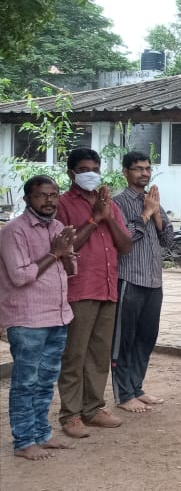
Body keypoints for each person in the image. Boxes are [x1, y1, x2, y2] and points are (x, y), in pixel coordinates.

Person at [56, 147, 131, 438]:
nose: (91, 174)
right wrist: (93, 219)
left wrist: (107, 216)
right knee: (75, 353)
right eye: (84, 170)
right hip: (79, 288)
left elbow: (125, 245)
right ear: (71, 172)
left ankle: (93, 408)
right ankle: (70, 414)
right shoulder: (63, 204)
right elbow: (66, 247)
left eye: (95, 169)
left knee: (100, 353)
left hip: (107, 286)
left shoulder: (108, 204)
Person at [1, 176, 77, 460]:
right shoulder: (14, 231)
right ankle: (23, 441)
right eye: (42, 195)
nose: (49, 201)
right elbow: (20, 276)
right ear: (27, 199)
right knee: (26, 382)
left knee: (46, 380)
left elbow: (70, 269)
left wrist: (66, 255)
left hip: (57, 316)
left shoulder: (58, 227)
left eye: (53, 195)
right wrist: (55, 253)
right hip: (28, 319)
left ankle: (42, 434)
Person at [111, 152, 174, 413]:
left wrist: (156, 213)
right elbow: (124, 239)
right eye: (138, 169)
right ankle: (123, 394)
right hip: (129, 279)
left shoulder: (153, 200)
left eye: (147, 168)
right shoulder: (117, 203)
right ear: (125, 172)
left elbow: (168, 241)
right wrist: (146, 213)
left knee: (146, 338)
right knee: (124, 340)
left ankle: (137, 387)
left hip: (153, 281)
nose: (144, 173)